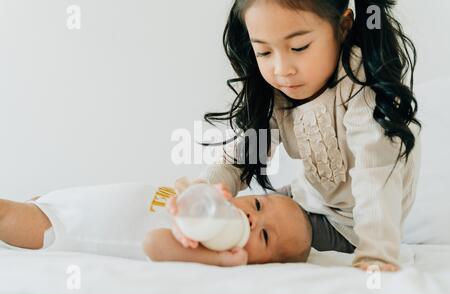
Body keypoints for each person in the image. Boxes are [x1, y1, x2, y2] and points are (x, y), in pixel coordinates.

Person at [178, 0, 422, 272]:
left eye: (299, 48)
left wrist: (376, 252)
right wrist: (205, 188)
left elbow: (374, 173)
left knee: (252, 238)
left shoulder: (363, 86)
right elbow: (243, 156)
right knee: (223, 214)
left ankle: (211, 255)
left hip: (350, 226)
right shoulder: (279, 92)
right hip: (303, 198)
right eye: (263, 52)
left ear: (343, 27)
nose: (282, 69)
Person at [0, 181, 312, 267]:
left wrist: (216, 257)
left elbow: (153, 243)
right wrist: (195, 189)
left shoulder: (205, 243)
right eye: (257, 205)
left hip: (63, 229)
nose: (251, 218)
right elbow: (178, 184)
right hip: (69, 201)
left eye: (265, 236)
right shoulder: (208, 209)